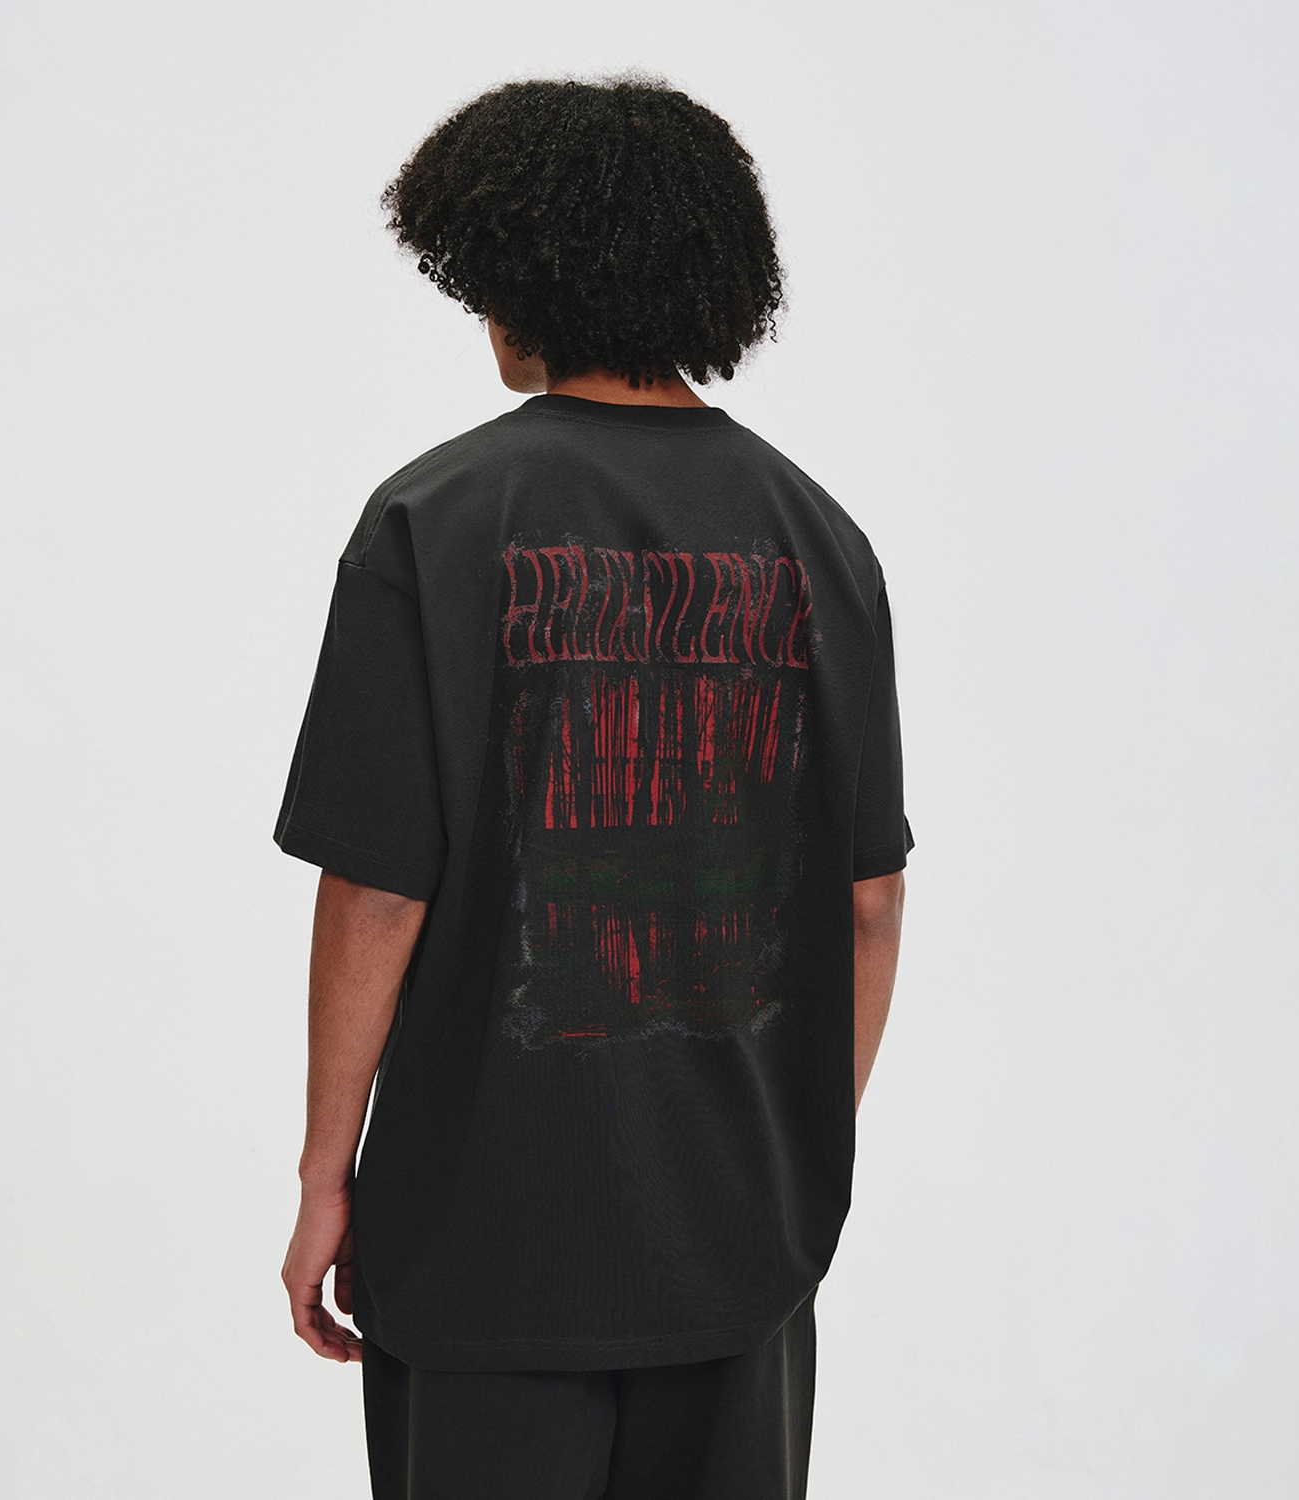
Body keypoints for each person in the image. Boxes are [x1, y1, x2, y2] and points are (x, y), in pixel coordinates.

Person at [274, 76, 911, 1500]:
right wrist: (797, 1141)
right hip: (737, 1236)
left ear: (524, 276)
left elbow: (377, 889)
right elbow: (870, 903)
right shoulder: (824, 540)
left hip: (480, 1231)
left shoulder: (431, 522)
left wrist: (326, 1175)